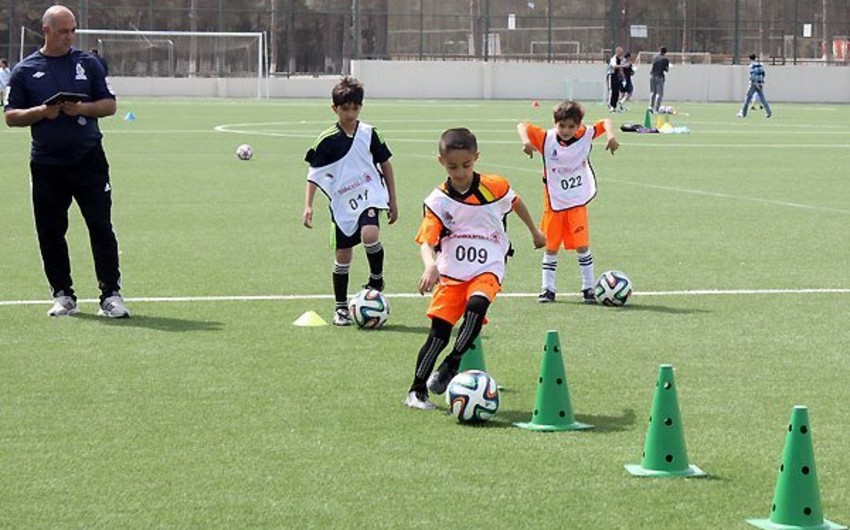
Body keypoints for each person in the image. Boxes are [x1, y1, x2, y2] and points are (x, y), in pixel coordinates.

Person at [404, 128, 546, 410]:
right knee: (439, 333)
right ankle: (416, 392)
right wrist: (430, 265)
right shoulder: (437, 201)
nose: (459, 172)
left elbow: (516, 203)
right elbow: (426, 240)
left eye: (466, 165)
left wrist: (535, 231)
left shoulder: (495, 186)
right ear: (440, 161)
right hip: (452, 273)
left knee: (478, 305)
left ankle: (452, 363)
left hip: (489, 265)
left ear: (476, 158)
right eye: (452, 166)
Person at [4, 5, 130, 318]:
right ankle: (63, 295)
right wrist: (40, 113)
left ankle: (111, 295)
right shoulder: (24, 70)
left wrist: (83, 109)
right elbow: (10, 116)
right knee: (50, 230)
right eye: (63, 31)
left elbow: (110, 105)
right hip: (47, 164)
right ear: (46, 30)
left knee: (101, 226)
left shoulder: (88, 63)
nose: (69, 36)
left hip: (89, 160)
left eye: (73, 30)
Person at [303, 76, 398, 326]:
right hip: (343, 203)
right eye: (345, 108)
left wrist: (392, 200)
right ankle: (341, 307)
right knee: (343, 255)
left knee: (370, 233)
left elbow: (386, 165)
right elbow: (313, 175)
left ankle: (376, 278)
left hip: (369, 194)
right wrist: (308, 205)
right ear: (334, 109)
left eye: (355, 108)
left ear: (361, 107)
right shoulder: (326, 140)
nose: (351, 113)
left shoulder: (370, 133)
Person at [516, 101, 619, 304]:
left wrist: (611, 135)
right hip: (553, 203)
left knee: (582, 246)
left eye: (571, 126)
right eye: (562, 126)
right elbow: (522, 126)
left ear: (579, 125)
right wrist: (526, 142)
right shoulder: (546, 138)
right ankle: (548, 289)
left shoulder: (585, 134)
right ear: (555, 124)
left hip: (577, 201)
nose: (566, 130)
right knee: (551, 247)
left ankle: (588, 288)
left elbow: (606, 121)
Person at [738, 53, 772, 119]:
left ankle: (743, 114)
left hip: (753, 84)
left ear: (750, 59)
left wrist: (755, 83)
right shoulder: (760, 65)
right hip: (760, 84)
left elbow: (753, 76)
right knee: (763, 99)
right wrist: (761, 82)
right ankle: (769, 113)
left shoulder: (751, 66)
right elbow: (763, 74)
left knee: (747, 99)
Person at [649, 47, 670, 113]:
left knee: (652, 92)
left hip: (652, 76)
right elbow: (666, 70)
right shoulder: (665, 59)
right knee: (659, 93)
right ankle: (657, 108)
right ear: (665, 52)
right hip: (660, 76)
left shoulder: (654, 57)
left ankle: (650, 107)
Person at [606, 47, 625, 112]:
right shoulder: (613, 59)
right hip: (611, 75)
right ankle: (610, 105)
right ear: (617, 52)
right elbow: (614, 66)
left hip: (616, 76)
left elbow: (619, 69)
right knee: (612, 90)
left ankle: (614, 106)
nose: (622, 53)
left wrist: (622, 76)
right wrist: (623, 66)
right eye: (620, 52)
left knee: (616, 91)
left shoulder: (619, 59)